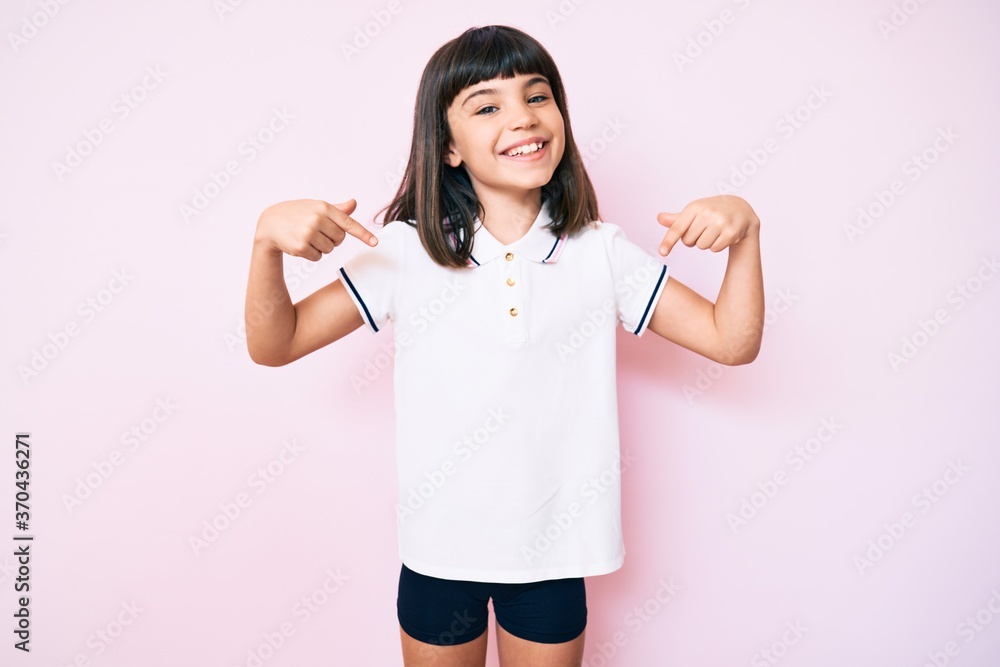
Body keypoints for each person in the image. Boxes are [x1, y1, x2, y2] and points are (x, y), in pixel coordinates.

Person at [244, 24, 763, 667]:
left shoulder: (601, 252)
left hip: (554, 559)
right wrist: (265, 245)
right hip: (438, 557)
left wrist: (746, 237)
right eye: (487, 106)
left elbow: (730, 342)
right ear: (448, 147)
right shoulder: (405, 250)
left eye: (537, 96)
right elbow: (277, 343)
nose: (522, 117)